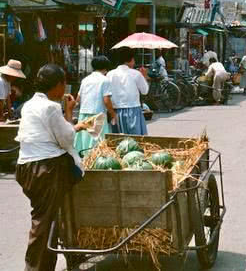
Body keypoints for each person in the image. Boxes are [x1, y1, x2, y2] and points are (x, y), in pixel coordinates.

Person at [15, 64, 90, 271]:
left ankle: (63, 255)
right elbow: (66, 139)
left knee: (47, 218)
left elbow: (60, 134)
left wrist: (68, 114)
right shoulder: (50, 107)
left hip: (27, 167)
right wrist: (69, 113)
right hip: (45, 169)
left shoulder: (29, 104)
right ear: (57, 85)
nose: (65, 88)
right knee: (43, 222)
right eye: (63, 83)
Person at [73, 56, 117, 154]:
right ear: (106, 68)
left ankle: (83, 161)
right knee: (96, 143)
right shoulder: (105, 80)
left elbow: (78, 99)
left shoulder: (85, 80)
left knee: (84, 141)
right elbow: (106, 100)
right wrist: (113, 114)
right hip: (98, 115)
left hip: (84, 114)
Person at [107, 48, 149, 135]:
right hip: (133, 109)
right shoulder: (136, 74)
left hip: (115, 110)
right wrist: (144, 77)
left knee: (118, 140)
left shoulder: (110, 74)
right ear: (131, 60)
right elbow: (145, 91)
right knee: (136, 139)